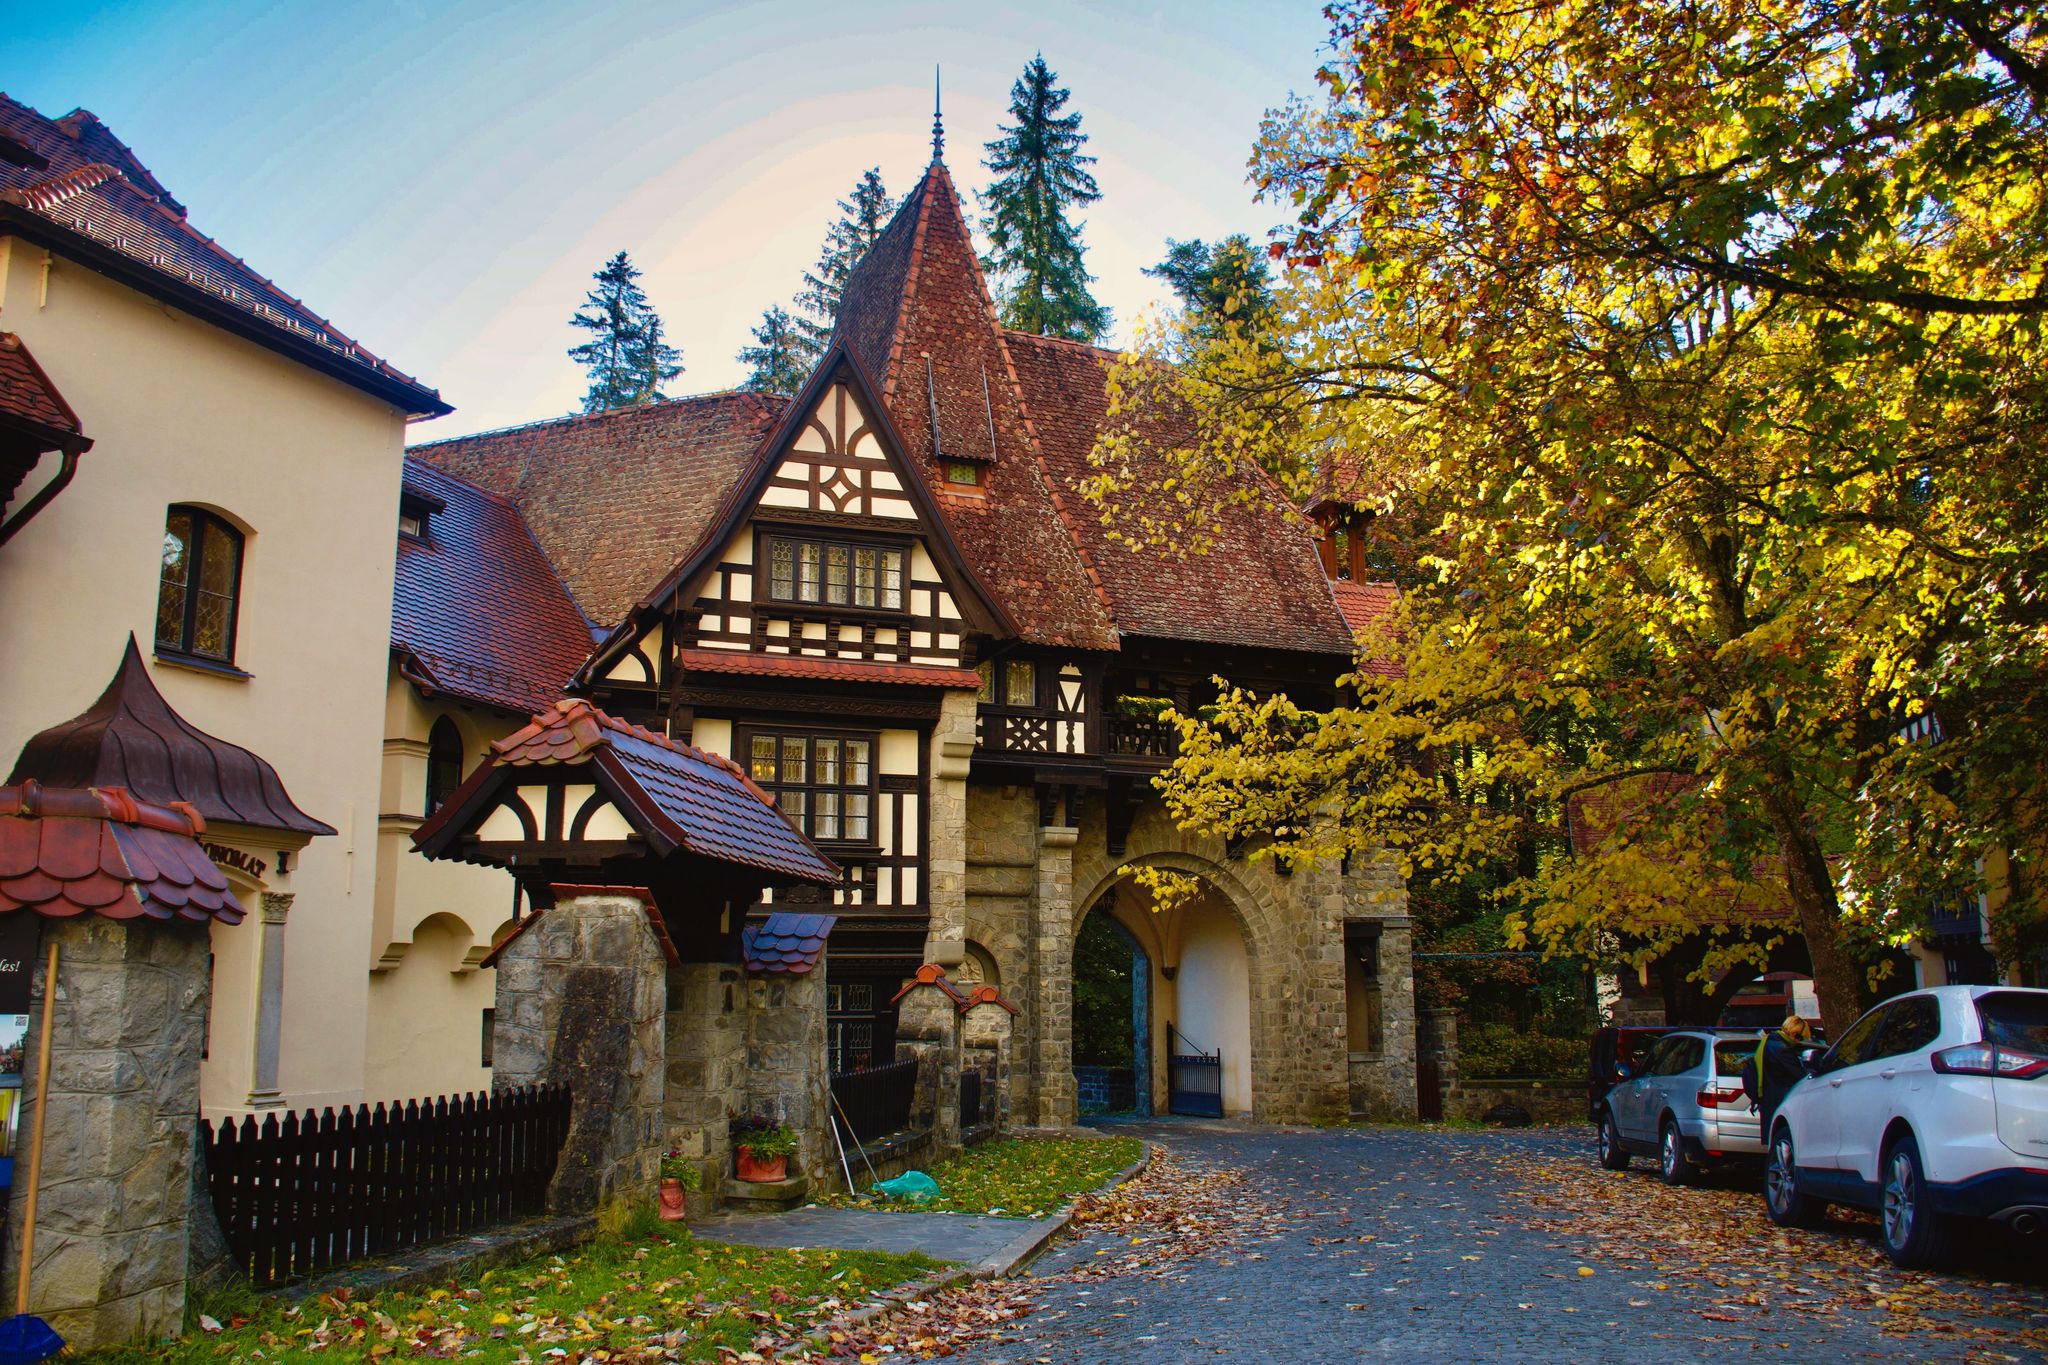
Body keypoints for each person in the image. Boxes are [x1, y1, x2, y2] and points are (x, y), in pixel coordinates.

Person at [1757, 1014, 1813, 1137]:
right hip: (1781, 1099)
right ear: (1795, 1034)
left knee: (1776, 1143)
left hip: (1770, 1098)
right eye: (1800, 1037)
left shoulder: (1769, 1041)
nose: (1800, 1041)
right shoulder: (1782, 1049)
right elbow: (1799, 1075)